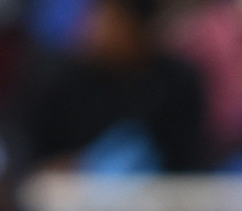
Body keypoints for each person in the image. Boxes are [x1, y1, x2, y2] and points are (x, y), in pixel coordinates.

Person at [14, 0, 210, 175]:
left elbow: (187, 163)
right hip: (71, 206)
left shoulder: (177, 82)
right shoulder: (63, 80)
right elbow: (32, 157)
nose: (97, 27)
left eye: (113, 19)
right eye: (97, 15)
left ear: (141, 28)